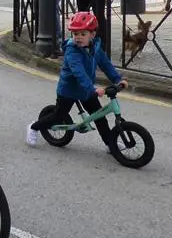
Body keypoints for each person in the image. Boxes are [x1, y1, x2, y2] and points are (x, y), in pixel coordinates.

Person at [26, 11, 127, 152]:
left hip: (85, 90)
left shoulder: (96, 48)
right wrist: (92, 88)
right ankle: (33, 127)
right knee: (58, 116)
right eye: (75, 34)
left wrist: (118, 79)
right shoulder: (72, 51)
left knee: (99, 117)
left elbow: (106, 64)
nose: (78, 37)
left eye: (83, 34)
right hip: (68, 90)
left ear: (92, 35)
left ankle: (110, 144)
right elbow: (79, 73)